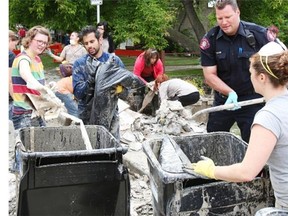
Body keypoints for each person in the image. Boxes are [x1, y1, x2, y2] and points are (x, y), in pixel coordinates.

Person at [192, 41, 288, 210]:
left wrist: (211, 170)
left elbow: (246, 172)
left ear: (262, 77)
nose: (249, 77)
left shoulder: (268, 117)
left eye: (250, 72)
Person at [200, 0, 278, 143]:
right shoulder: (210, 40)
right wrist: (229, 92)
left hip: (253, 100)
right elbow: (209, 75)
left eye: (228, 17)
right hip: (225, 99)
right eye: (220, 18)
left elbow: (281, 61)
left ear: (237, 12)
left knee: (254, 143)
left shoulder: (258, 35)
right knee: (213, 139)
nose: (224, 22)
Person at [73, 25, 143, 140]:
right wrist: (90, 81)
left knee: (110, 150)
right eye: (86, 43)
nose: (89, 46)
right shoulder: (80, 64)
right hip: (86, 116)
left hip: (109, 116)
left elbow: (128, 91)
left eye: (92, 41)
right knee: (89, 150)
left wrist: (119, 90)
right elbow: (78, 94)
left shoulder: (114, 62)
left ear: (100, 40)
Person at [11, 25, 62, 131]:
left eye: (44, 43)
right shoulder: (23, 58)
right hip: (24, 113)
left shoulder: (38, 59)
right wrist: (44, 89)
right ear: (29, 40)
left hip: (38, 110)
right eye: (39, 41)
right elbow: (26, 75)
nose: (42, 45)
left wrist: (48, 86)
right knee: (26, 146)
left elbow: (36, 86)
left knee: (41, 144)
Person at [133, 48, 164, 114]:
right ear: (148, 58)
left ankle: (155, 111)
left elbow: (160, 71)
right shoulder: (140, 60)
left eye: (155, 58)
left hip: (150, 75)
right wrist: (146, 83)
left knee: (155, 91)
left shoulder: (158, 61)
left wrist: (156, 82)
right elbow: (136, 74)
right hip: (140, 76)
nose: (154, 60)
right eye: (152, 58)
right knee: (139, 91)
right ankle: (139, 111)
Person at [9, 30, 20, 120]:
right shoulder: (10, 55)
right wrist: (17, 100)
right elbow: (9, 80)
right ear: (9, 40)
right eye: (14, 43)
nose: (14, 47)